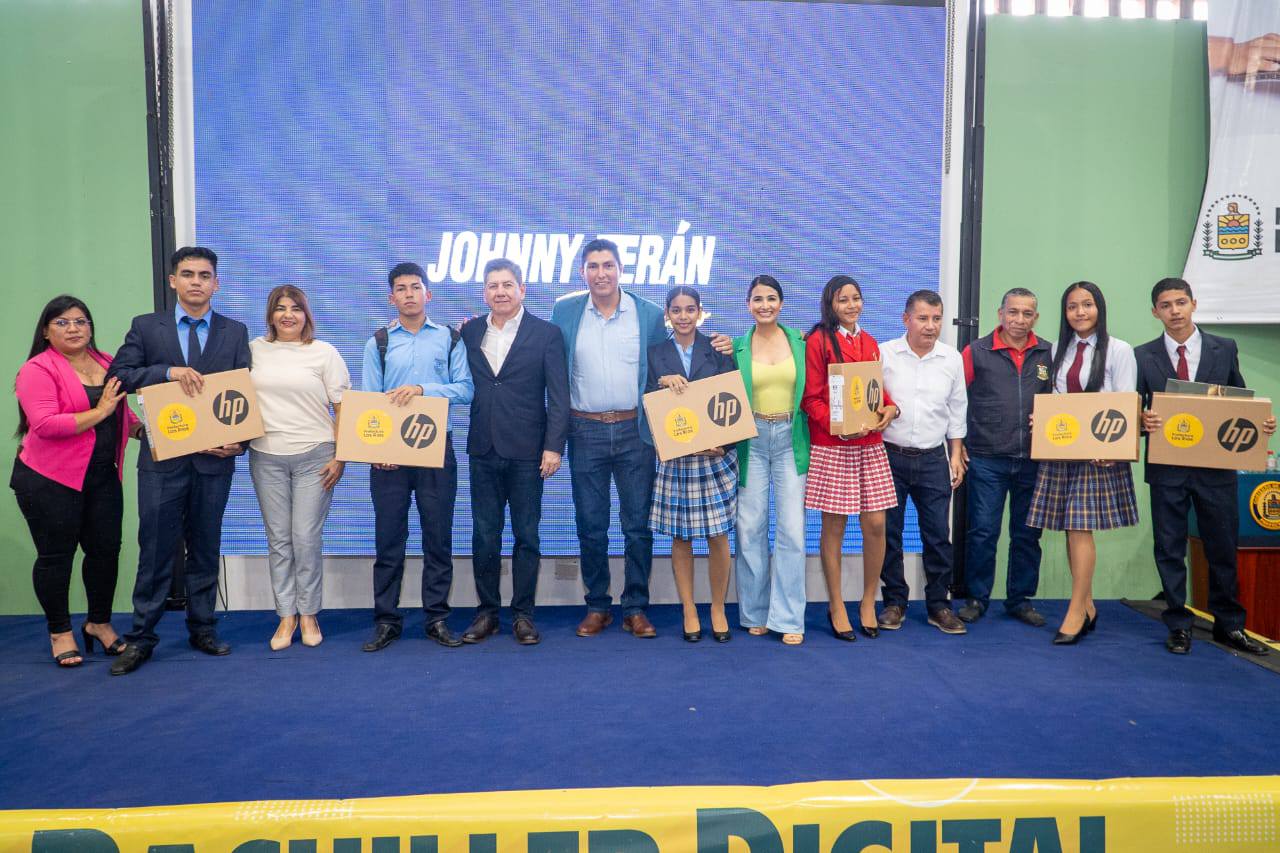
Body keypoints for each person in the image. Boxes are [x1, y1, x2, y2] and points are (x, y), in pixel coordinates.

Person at [106, 246, 252, 675]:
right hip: (162, 461)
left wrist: (239, 442)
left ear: (216, 284)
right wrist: (167, 372)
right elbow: (120, 376)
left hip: (214, 463)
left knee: (205, 548)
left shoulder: (234, 331)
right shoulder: (146, 327)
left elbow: (245, 394)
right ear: (173, 281)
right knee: (154, 550)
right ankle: (141, 637)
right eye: (188, 274)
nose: (196, 282)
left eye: (205, 276)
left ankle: (203, 628)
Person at [1136, 277, 1275, 656]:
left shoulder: (1224, 348)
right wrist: (1142, 421)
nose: (1175, 311)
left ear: (1193, 304)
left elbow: (1240, 401)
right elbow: (1134, 409)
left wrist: (1260, 424)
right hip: (1167, 468)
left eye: (1181, 302)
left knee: (1222, 546)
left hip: (1216, 468)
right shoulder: (1142, 355)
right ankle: (1178, 624)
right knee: (1169, 548)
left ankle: (1229, 625)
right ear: (1155, 312)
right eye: (1166, 305)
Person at [11, 296, 140, 666]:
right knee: (56, 557)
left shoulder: (107, 362)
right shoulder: (37, 369)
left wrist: (154, 433)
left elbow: (123, 415)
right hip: (49, 479)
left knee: (105, 552)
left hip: (102, 477)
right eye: (62, 322)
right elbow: (46, 425)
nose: (73, 329)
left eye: (80, 321)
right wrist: (100, 411)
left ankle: (98, 623)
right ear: (46, 331)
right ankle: (60, 631)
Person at [550, 238, 667, 639]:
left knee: (637, 526)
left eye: (608, 265)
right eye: (593, 266)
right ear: (582, 272)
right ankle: (597, 605)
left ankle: (635, 607)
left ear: (620, 269)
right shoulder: (564, 312)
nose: (601, 273)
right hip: (585, 431)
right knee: (591, 524)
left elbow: (666, 366)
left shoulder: (648, 314)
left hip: (636, 431)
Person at [360, 262, 474, 652]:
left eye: (415, 287)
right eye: (401, 289)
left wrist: (424, 389)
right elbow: (370, 402)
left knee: (437, 538)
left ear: (428, 293)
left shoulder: (450, 338)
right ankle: (386, 621)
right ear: (391, 297)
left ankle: (436, 619)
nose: (409, 294)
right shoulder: (378, 342)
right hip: (389, 455)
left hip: (435, 446)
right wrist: (377, 451)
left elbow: (465, 389)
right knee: (388, 540)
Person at [458, 258, 569, 646]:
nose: (500, 292)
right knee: (484, 536)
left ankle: (523, 615)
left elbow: (559, 396)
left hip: (528, 452)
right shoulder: (469, 331)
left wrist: (554, 447)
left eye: (507, 285)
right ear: (484, 293)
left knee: (527, 536)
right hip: (483, 449)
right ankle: (487, 613)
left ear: (522, 289)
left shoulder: (547, 333)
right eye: (493, 286)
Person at [1025, 282, 1138, 645]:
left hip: (1099, 452)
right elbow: (1055, 399)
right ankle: (1087, 605)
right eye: (1072, 306)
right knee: (1068, 528)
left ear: (1099, 308)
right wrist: (1042, 420)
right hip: (1063, 449)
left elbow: (1126, 402)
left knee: (1078, 527)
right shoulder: (1057, 349)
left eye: (1087, 305)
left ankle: (1075, 611)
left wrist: (1114, 448)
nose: (1080, 312)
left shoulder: (1119, 350)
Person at [247, 285, 350, 650]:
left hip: (315, 456)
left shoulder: (324, 353)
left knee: (304, 538)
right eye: (280, 308)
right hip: (265, 456)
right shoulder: (253, 351)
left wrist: (341, 455)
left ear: (306, 315)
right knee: (279, 539)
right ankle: (286, 616)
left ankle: (308, 613)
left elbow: (343, 407)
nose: (288, 315)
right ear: (270, 315)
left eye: (296, 308)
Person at [801, 275, 898, 641]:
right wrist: (839, 426)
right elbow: (810, 399)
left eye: (856, 298)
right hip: (833, 446)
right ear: (830, 304)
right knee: (834, 526)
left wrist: (891, 408)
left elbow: (877, 392)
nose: (851, 305)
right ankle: (837, 604)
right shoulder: (818, 341)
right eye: (843, 300)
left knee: (876, 524)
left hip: (870, 445)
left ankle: (868, 600)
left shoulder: (870, 341)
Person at [647, 286, 739, 642]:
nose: (683, 316)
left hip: (715, 458)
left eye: (690, 309)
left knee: (719, 535)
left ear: (700, 313)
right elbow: (648, 401)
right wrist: (661, 381)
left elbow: (733, 399)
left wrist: (723, 443)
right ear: (667, 314)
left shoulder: (717, 348)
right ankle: (688, 608)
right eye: (676, 310)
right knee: (681, 536)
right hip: (678, 459)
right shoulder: (656, 353)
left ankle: (717, 607)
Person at [958, 287, 1053, 628]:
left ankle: (1020, 600)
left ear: (1035, 317)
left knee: (1028, 534)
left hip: (1034, 459)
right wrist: (957, 443)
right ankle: (976, 598)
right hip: (987, 458)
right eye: (1013, 312)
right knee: (983, 531)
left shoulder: (1049, 353)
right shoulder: (976, 351)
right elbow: (955, 398)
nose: (1019, 319)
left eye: (1027, 313)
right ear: (1000, 314)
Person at [877, 290, 968, 635]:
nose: (931, 326)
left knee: (938, 535)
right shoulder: (884, 353)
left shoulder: (951, 358)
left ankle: (939, 605)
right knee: (889, 534)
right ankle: (894, 602)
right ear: (906, 319)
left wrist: (956, 454)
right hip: (889, 456)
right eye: (923, 318)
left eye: (937, 319)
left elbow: (957, 410)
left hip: (933, 458)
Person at [731, 275, 810, 646]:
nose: (765, 305)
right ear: (748, 304)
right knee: (749, 528)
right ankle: (755, 612)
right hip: (752, 440)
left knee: (792, 529)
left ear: (782, 303)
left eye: (771, 298)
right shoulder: (736, 347)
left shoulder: (800, 342)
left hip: (790, 439)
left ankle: (789, 617)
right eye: (758, 299)